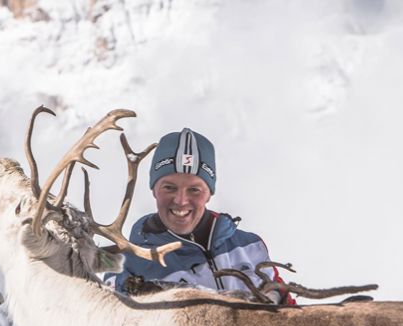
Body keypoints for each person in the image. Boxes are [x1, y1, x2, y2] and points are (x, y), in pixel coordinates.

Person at [110, 127, 292, 304]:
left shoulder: (250, 246)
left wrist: (275, 296)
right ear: (154, 190)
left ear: (209, 193)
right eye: (169, 187)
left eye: (194, 189)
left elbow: (288, 310)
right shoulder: (127, 265)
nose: (181, 201)